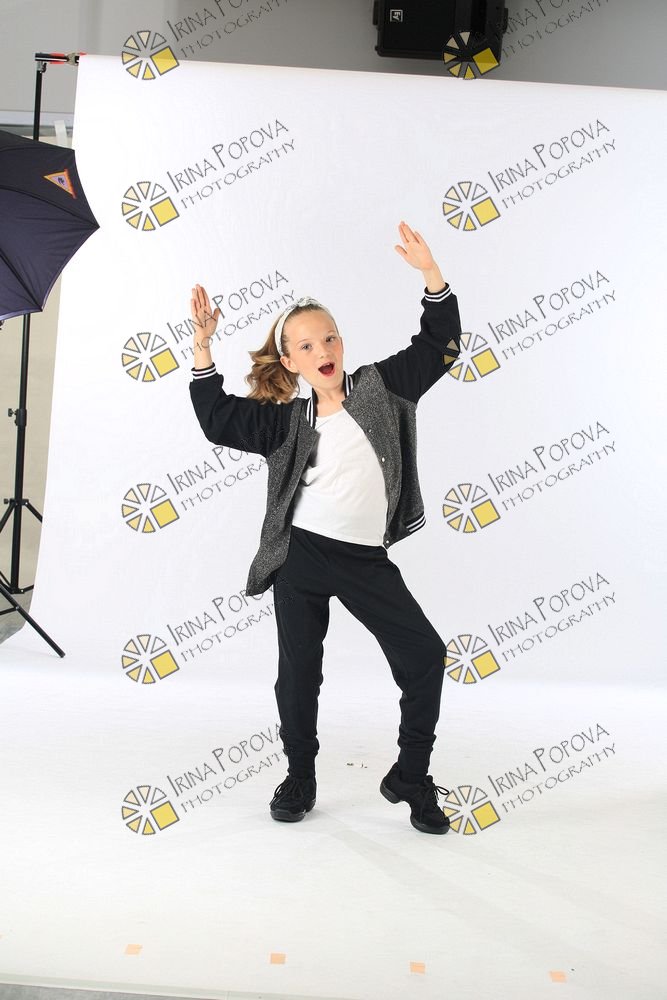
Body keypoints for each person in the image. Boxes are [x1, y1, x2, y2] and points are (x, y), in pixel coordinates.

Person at [189, 221, 462, 835]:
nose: (323, 351)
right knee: (299, 674)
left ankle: (412, 775)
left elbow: (440, 345)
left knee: (424, 655)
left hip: (365, 560)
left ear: (342, 342)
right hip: (302, 557)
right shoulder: (285, 421)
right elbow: (217, 419)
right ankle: (300, 775)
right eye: (307, 346)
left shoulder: (382, 388)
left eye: (329, 337)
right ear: (290, 362)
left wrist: (430, 273)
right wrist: (204, 348)